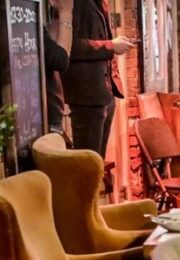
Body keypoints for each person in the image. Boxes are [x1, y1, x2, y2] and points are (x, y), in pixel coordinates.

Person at [62, 0, 135, 159]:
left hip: (104, 93)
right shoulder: (77, 3)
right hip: (87, 97)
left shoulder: (100, 3)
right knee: (88, 164)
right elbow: (68, 45)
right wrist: (110, 46)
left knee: (98, 163)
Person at [45, 0, 73, 135]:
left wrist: (58, 13)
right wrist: (65, 13)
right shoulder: (25, 14)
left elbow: (52, 49)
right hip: (44, 116)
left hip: (52, 113)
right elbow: (60, 60)